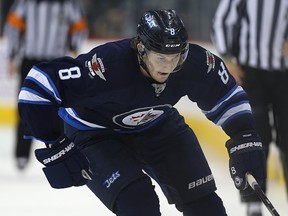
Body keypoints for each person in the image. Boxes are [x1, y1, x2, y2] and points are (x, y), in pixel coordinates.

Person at [18, 9, 266, 216]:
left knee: (205, 206)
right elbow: (38, 83)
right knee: (139, 205)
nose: (169, 67)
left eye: (175, 58)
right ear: (141, 49)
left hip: (157, 125)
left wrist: (244, 135)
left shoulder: (193, 63)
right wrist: (55, 142)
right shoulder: (107, 66)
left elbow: (227, 94)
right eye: (161, 58)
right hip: (94, 134)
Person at [211, 0, 288, 215]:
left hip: (285, 75)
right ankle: (254, 204)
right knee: (255, 138)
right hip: (250, 73)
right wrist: (227, 58)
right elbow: (222, 21)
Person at [4, 0, 88, 170]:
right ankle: (22, 154)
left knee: (58, 109)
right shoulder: (27, 3)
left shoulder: (68, 5)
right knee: (25, 106)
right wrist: (12, 55)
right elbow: (13, 26)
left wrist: (73, 46)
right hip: (30, 61)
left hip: (55, 62)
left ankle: (59, 153)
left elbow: (80, 26)